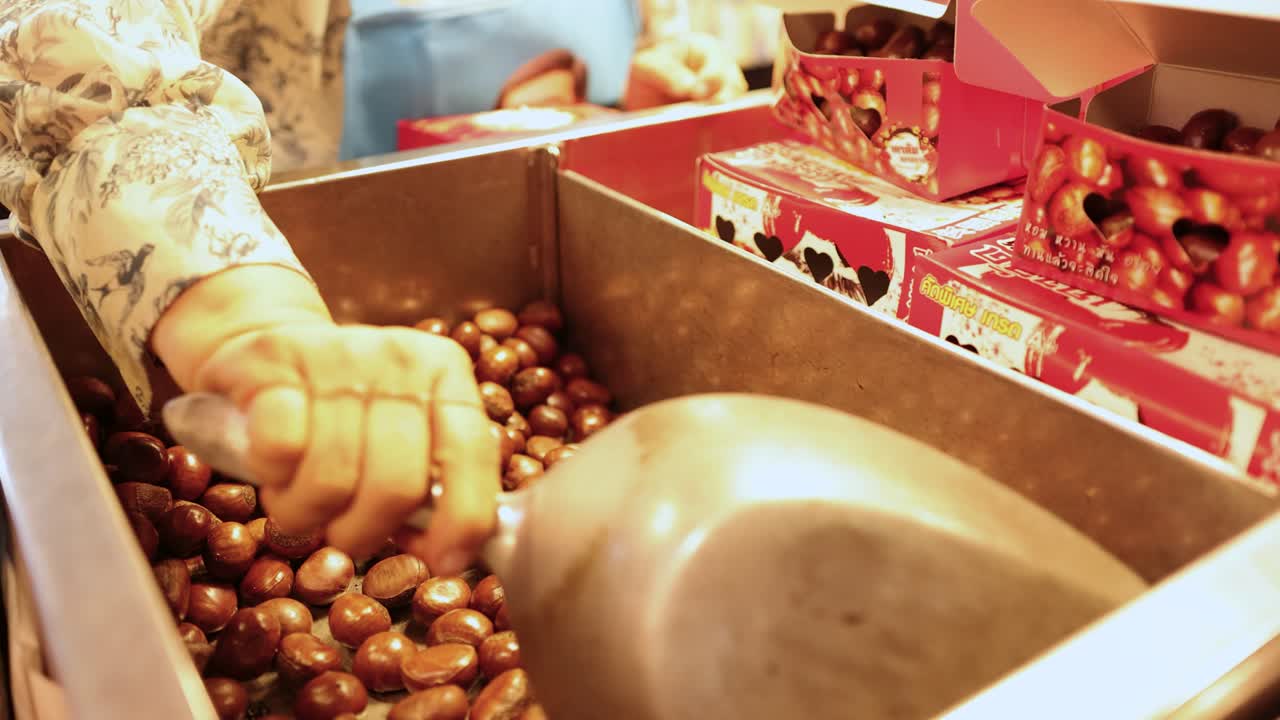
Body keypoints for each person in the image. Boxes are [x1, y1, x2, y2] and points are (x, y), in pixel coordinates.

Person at [0, 1, 747, 576]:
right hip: (245, 234)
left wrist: (644, 93)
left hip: (487, 193)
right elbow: (63, 48)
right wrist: (244, 319)